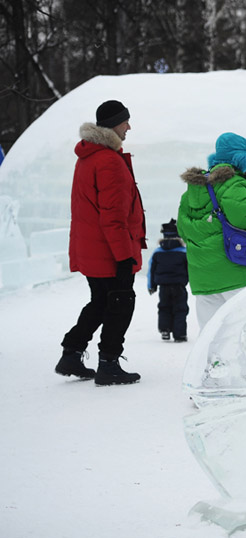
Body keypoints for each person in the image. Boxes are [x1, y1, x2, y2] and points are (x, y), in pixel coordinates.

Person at [55, 100, 145, 386]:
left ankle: (72, 352)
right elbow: (113, 217)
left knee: (100, 302)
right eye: (125, 122)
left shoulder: (88, 157)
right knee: (120, 302)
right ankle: (109, 363)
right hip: (109, 251)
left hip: (92, 248)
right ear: (113, 124)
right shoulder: (108, 161)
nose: (129, 127)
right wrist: (123, 257)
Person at [177, 132, 246, 329]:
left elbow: (183, 229)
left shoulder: (194, 189)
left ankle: (212, 361)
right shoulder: (234, 183)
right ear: (242, 158)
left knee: (211, 335)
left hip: (203, 278)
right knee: (243, 331)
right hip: (235, 271)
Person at [147, 219, 189, 342]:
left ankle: (165, 330)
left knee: (164, 307)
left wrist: (152, 286)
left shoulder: (157, 252)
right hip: (179, 286)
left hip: (163, 287)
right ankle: (179, 334)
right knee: (180, 308)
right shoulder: (183, 252)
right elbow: (190, 269)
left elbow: (151, 270)